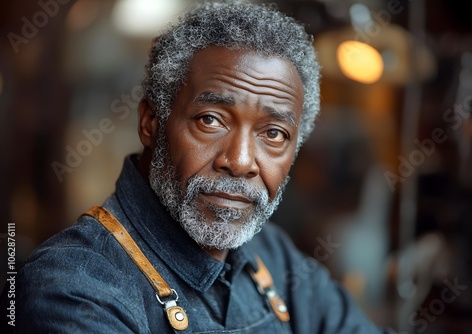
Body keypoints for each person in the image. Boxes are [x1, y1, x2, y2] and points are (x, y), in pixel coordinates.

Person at [1, 2, 393, 333]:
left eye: (273, 134)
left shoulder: (270, 253)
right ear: (151, 123)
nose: (239, 162)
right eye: (211, 120)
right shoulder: (72, 288)